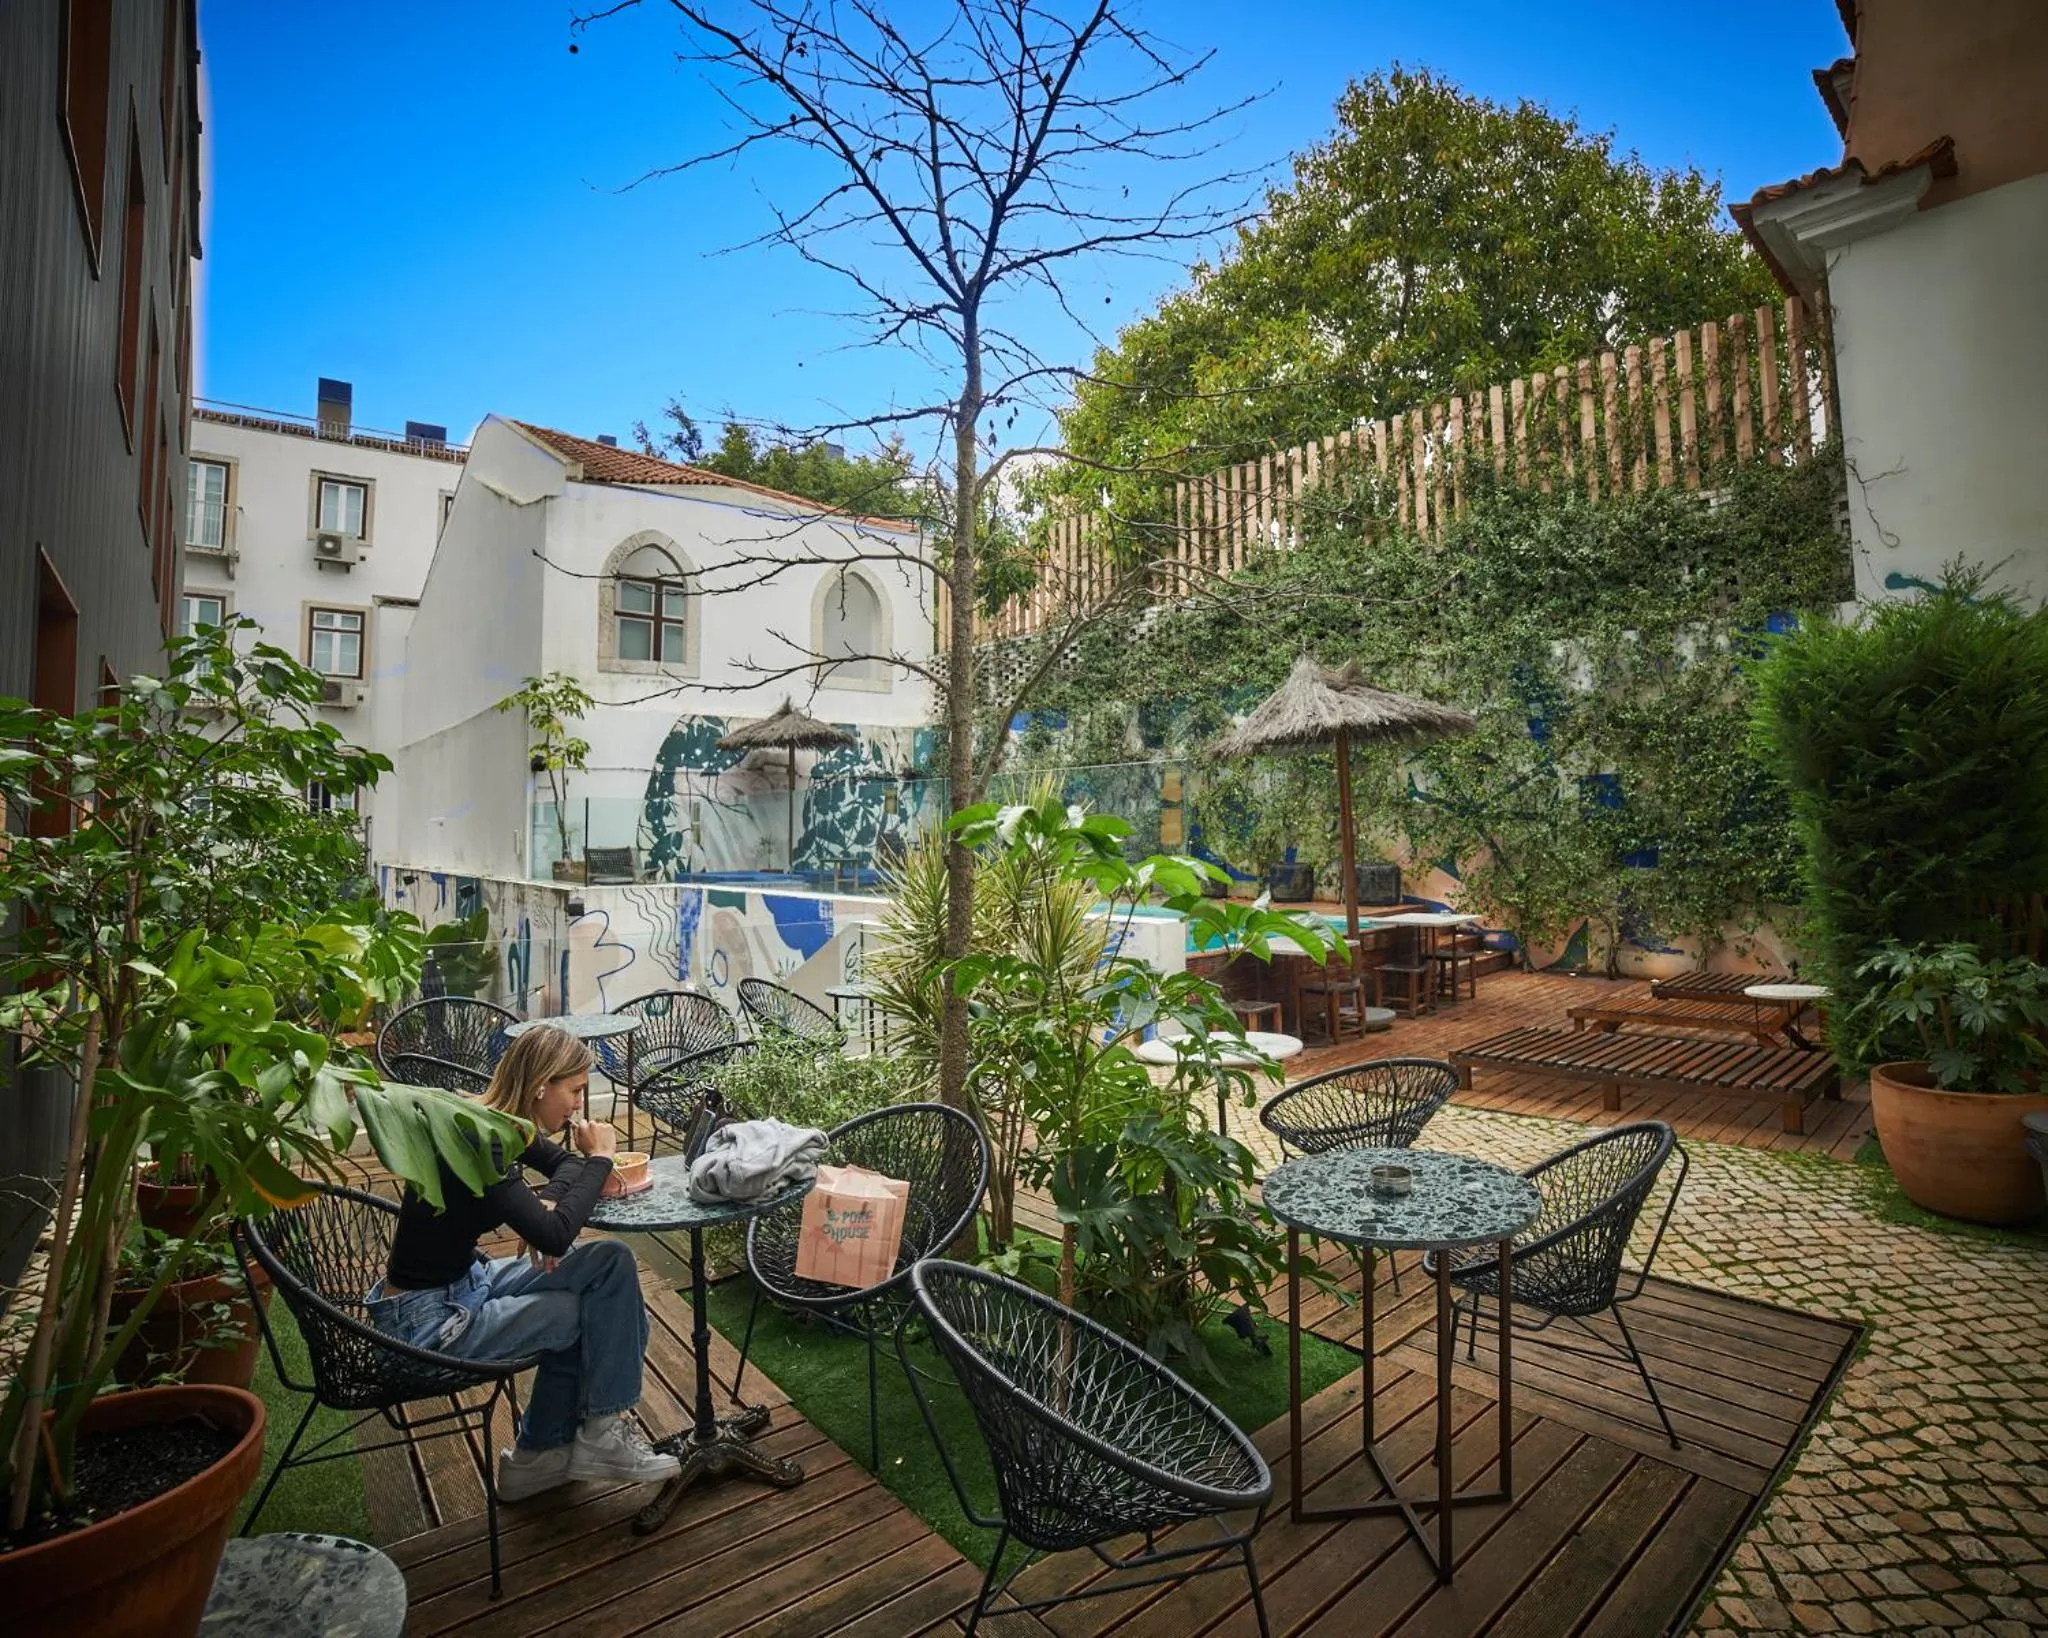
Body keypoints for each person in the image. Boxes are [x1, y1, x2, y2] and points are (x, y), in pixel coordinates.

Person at [367, 1024, 679, 1501]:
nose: (579, 1105)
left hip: (466, 1284)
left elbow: (560, 1178)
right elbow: (556, 1230)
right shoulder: (479, 1138)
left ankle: (559, 1451)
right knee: (580, 1313)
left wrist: (549, 1202)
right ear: (540, 1084)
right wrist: (600, 1158)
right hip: (426, 1325)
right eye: (574, 1091)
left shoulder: (497, 1120)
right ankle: (572, 1444)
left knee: (611, 1261)